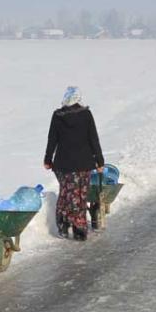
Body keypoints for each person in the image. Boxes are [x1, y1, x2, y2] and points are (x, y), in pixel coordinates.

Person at [44, 86, 104, 241]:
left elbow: (52, 139)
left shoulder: (57, 115)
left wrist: (48, 159)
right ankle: (79, 228)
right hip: (83, 163)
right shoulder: (86, 114)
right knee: (80, 195)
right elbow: (93, 139)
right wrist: (99, 161)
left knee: (65, 193)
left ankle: (63, 224)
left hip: (63, 164)